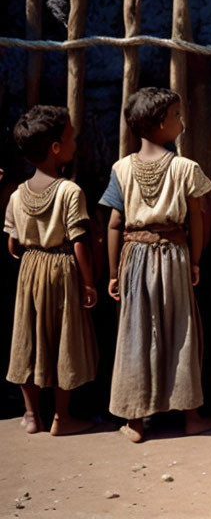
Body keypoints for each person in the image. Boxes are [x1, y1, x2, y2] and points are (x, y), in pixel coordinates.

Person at [100, 87, 211, 442]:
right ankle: (191, 416)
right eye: (177, 115)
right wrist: (195, 258)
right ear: (160, 124)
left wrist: (114, 272)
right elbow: (197, 218)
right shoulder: (186, 168)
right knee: (180, 329)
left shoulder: (121, 169)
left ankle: (135, 421)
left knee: (137, 330)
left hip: (134, 258)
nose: (182, 120)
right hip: (175, 255)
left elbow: (114, 224)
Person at [5, 105, 97, 435]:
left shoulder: (17, 195)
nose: (75, 141)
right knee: (63, 340)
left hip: (30, 269)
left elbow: (12, 245)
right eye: (71, 136)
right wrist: (89, 283)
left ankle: (31, 416)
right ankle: (62, 417)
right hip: (62, 270)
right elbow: (80, 242)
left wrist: (30, 253)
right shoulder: (70, 191)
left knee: (27, 338)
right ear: (56, 148)